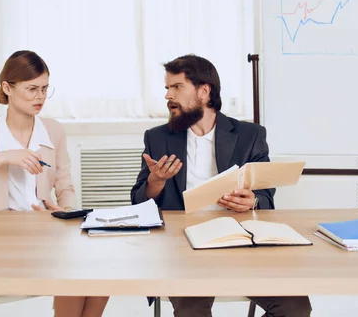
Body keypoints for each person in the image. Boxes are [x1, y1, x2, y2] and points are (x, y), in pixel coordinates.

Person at [131, 55, 311, 317]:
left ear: (204, 91)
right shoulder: (158, 138)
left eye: (177, 87)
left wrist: (253, 200)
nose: (168, 96)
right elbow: (138, 202)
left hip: (240, 241)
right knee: (191, 311)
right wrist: (155, 181)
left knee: (295, 307)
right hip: (183, 248)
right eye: (167, 88)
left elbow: (266, 196)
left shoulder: (250, 135)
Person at [0, 50, 109, 317]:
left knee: (102, 270)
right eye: (31, 89)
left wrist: (65, 211)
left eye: (44, 89)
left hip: (46, 235)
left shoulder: (53, 130)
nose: (40, 97)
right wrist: (0, 158)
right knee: (75, 273)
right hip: (1, 243)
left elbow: (65, 185)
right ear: (8, 88)